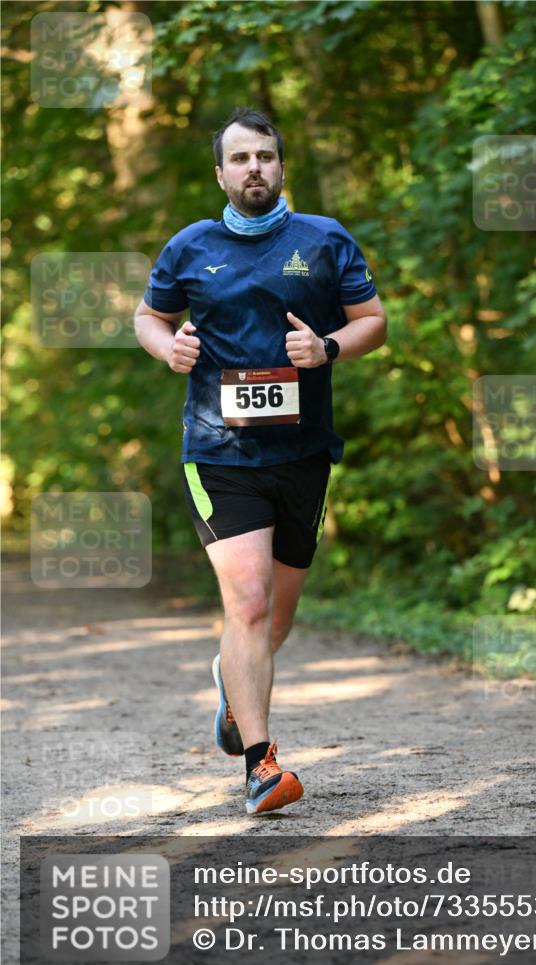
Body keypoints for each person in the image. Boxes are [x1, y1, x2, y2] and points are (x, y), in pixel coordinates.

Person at [134, 107, 387, 816]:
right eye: (240, 158)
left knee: (273, 619)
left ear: (280, 167)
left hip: (303, 452)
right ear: (219, 173)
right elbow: (147, 317)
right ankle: (261, 766)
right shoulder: (190, 246)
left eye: (265, 157)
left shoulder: (324, 240)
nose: (254, 168)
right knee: (245, 601)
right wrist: (167, 348)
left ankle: (231, 685)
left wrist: (330, 347)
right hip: (218, 451)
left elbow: (373, 319)